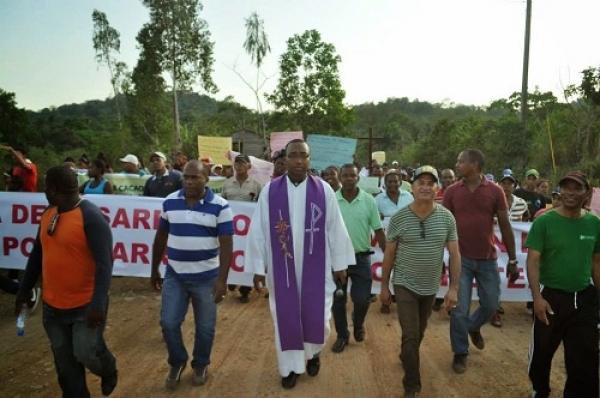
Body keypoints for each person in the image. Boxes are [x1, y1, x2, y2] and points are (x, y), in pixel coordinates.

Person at [244, 139, 354, 389]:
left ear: (309, 160)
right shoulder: (271, 191)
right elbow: (259, 231)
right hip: (282, 268)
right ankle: (289, 368)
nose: (298, 161)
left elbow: (335, 228)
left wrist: (340, 263)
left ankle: (313, 354)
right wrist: (258, 267)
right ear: (284, 159)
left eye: (303, 156)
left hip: (317, 267)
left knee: (318, 317)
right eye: (293, 156)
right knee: (285, 316)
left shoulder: (323, 189)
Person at [15, 165, 118, 397]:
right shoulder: (49, 213)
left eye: (44, 186)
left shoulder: (91, 218)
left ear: (52, 190)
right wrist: (24, 291)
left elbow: (105, 264)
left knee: (86, 353)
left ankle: (108, 368)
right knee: (66, 367)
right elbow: (37, 254)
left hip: (85, 306)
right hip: (53, 307)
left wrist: (98, 304)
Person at [150, 160, 233, 390]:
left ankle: (200, 364)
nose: (189, 181)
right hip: (174, 275)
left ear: (207, 178)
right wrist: (154, 268)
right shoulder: (170, 202)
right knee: (168, 323)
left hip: (207, 278)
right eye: (186, 177)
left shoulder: (221, 206)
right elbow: (161, 237)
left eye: (195, 177)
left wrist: (223, 280)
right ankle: (177, 362)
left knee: (205, 327)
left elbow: (226, 244)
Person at [380, 166, 461, 398]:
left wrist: (453, 288)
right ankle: (412, 386)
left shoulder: (447, 218)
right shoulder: (399, 218)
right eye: (420, 183)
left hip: (430, 287)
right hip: (404, 284)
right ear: (412, 187)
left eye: (430, 183)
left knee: (419, 333)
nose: (425, 187)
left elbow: (455, 254)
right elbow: (389, 254)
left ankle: (408, 353)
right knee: (411, 334)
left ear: (437, 188)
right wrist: (385, 287)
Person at [443, 149, 519, 374]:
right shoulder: (451, 191)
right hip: (461, 259)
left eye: (461, 161)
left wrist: (513, 259)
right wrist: (440, 256)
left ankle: (473, 327)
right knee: (459, 308)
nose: (456, 164)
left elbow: (505, 225)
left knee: (491, 304)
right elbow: (444, 225)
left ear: (475, 164)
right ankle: (460, 352)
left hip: (487, 259)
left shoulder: (495, 191)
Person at [525, 172, 600, 398]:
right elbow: (533, 260)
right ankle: (539, 390)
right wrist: (537, 298)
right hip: (550, 298)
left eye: (576, 188)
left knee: (585, 357)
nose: (570, 193)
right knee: (542, 353)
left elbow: (597, 262)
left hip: (584, 299)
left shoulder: (594, 223)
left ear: (587, 194)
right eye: (565, 188)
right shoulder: (545, 221)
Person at [331, 163, 386, 352]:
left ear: (357, 178)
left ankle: (359, 321)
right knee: (338, 300)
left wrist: (388, 253)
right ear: (340, 178)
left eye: (351, 176)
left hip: (361, 258)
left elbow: (378, 229)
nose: (348, 178)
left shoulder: (368, 200)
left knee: (362, 299)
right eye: (344, 175)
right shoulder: (331, 199)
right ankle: (342, 336)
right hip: (338, 259)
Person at [490, 172, 529, 327]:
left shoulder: (521, 203)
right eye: (504, 183)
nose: (506, 186)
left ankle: (500, 302)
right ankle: (494, 309)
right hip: (494, 244)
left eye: (510, 183)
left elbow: (526, 221)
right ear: (499, 184)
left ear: (514, 186)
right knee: (495, 275)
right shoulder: (492, 200)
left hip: (514, 246)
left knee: (511, 276)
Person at [222, 154, 263, 303]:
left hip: (247, 231)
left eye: (242, 163)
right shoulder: (227, 184)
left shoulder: (256, 185)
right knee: (230, 253)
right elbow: (222, 203)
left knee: (245, 255)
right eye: (236, 163)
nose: (239, 166)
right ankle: (231, 279)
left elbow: (261, 206)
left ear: (249, 167)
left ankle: (245, 290)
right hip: (229, 228)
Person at [432, 168, 457, 311]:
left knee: (454, 267)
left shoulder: (460, 194)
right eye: (445, 177)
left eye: (450, 178)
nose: (448, 180)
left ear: (454, 179)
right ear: (441, 180)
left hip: (455, 236)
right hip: (437, 235)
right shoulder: (435, 195)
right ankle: (438, 297)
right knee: (437, 267)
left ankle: (452, 300)